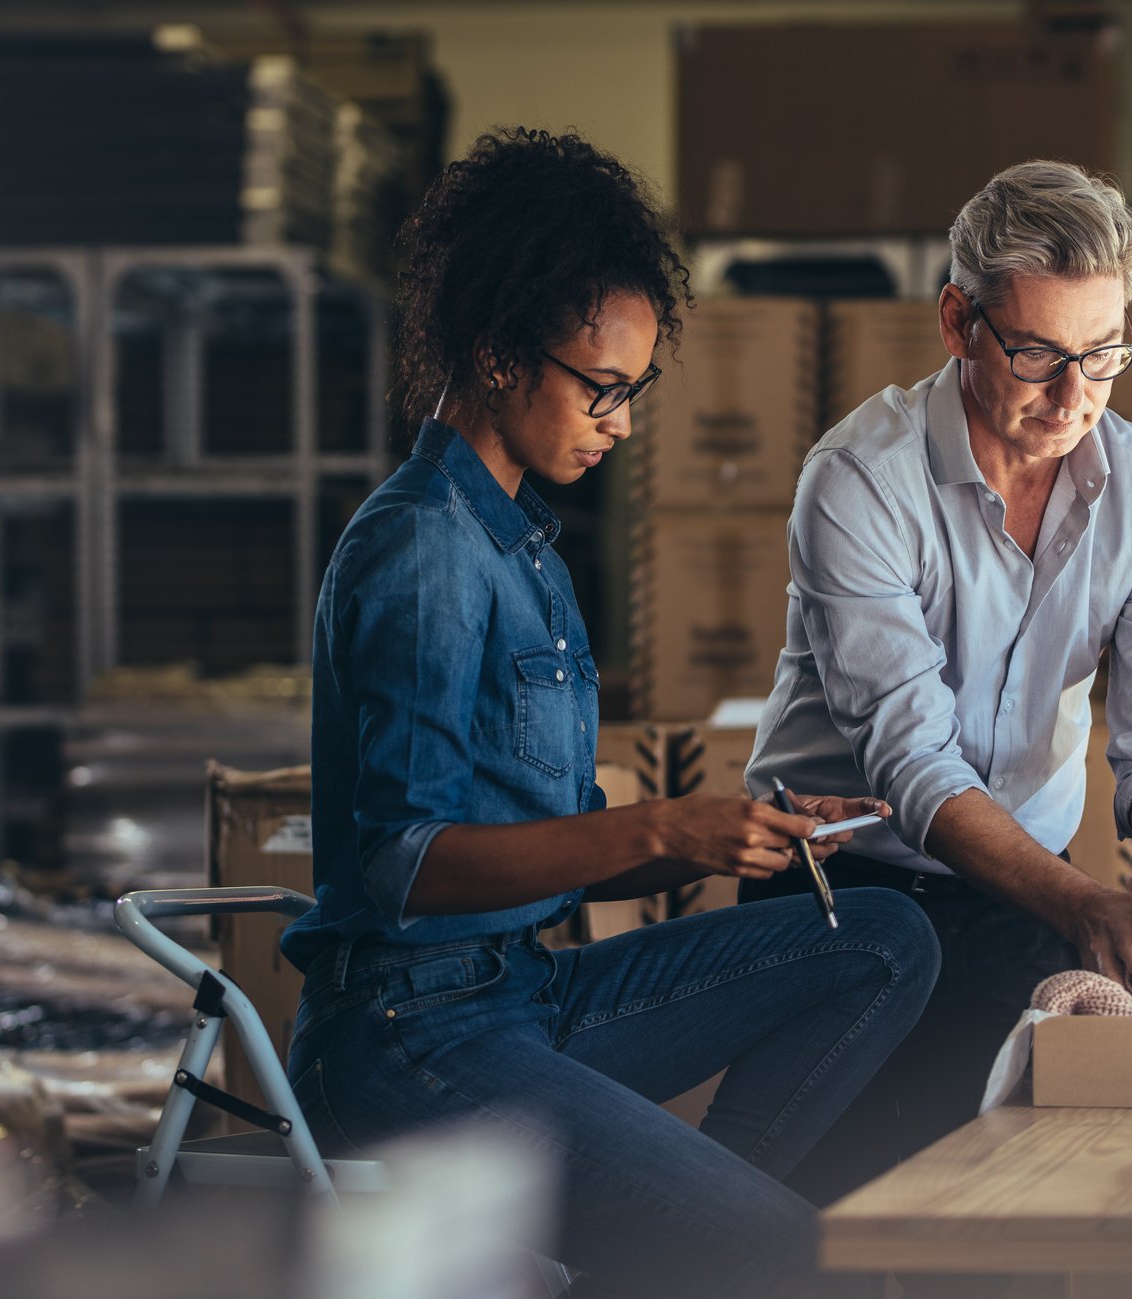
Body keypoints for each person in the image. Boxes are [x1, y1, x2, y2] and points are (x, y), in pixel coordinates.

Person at [277, 127, 940, 1299]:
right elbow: (400, 865)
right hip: (405, 1037)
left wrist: (742, 828)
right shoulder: (426, 548)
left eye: (633, 390)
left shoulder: (521, 541)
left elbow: (557, 857)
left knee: (883, 936)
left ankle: (677, 1245)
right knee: (785, 1253)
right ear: (493, 355)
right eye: (600, 388)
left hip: (521, 995)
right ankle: (707, 1246)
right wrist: (660, 831)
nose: (620, 421)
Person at [743, 160, 1132, 1218]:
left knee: (1015, 1205)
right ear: (956, 321)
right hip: (835, 897)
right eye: (1035, 354)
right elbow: (911, 762)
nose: (1072, 397)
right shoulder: (859, 480)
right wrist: (1076, 901)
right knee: (820, 1224)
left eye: (1103, 355)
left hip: (1019, 888)